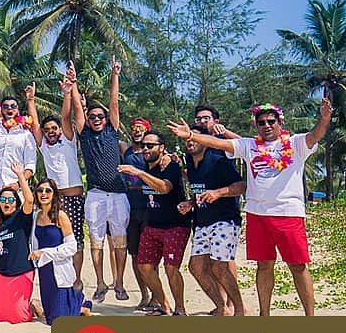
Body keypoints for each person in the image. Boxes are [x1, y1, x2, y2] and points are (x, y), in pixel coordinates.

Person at [168, 96, 333, 316]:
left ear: (279, 123)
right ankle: (264, 315)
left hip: (288, 214)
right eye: (261, 122)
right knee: (264, 265)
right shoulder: (249, 145)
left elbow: (315, 136)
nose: (266, 125)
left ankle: (310, 318)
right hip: (257, 215)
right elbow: (218, 143)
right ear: (256, 125)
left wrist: (324, 119)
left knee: (298, 266)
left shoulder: (295, 144)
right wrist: (190, 135)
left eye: (271, 121)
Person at [70, 58, 131, 304]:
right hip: (95, 194)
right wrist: (73, 84)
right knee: (96, 241)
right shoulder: (84, 133)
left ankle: (119, 282)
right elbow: (76, 107)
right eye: (92, 116)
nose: (96, 119)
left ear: (106, 119)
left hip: (118, 193)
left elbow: (114, 102)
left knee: (119, 240)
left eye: (100, 116)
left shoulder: (112, 130)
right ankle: (100, 283)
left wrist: (115, 74)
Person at [118, 130, 190, 315]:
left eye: (151, 145)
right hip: (153, 224)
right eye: (143, 146)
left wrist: (140, 173)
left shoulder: (170, 166)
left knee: (171, 268)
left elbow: (165, 188)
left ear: (162, 148)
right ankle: (163, 304)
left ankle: (180, 309)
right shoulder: (145, 164)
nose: (146, 149)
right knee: (144, 266)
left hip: (175, 224)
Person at [178, 125, 246, 317]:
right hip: (202, 222)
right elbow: (200, 191)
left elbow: (241, 185)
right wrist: (190, 203)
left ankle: (240, 309)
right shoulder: (190, 164)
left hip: (225, 220)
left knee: (219, 266)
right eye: (187, 139)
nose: (190, 142)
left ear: (205, 141)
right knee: (196, 267)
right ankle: (221, 307)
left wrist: (218, 193)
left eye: (195, 138)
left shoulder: (218, 161)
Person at [28, 79, 85, 292]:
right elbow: (34, 124)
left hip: (74, 198)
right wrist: (31, 100)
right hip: (55, 199)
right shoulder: (44, 146)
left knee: (76, 240)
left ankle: (76, 280)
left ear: (60, 130)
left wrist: (68, 93)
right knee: (55, 239)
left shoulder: (68, 140)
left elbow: (65, 116)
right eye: (47, 129)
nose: (51, 131)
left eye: (54, 128)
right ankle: (58, 278)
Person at [30, 177, 91, 325]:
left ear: (54, 194)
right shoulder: (35, 216)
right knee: (51, 318)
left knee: (59, 321)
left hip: (59, 268)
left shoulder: (61, 216)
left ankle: (82, 305)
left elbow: (72, 247)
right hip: (44, 269)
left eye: (48, 190)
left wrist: (44, 253)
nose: (43, 193)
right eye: (40, 190)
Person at [0, 160, 39, 323]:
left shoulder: (21, 217)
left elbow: (29, 200)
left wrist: (20, 176)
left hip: (21, 271)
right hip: (1, 273)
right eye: (2, 200)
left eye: (10, 200)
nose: (6, 203)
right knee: (0, 316)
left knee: (19, 317)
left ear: (16, 203)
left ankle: (34, 305)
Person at [0, 94, 37, 204]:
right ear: (1, 109)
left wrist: (18, 184)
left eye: (13, 106)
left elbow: (30, 165)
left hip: (17, 189)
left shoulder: (26, 135)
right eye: (5, 106)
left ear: (17, 110)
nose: (9, 109)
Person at [120, 118, 152, 310]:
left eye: (141, 129)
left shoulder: (153, 151)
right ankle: (144, 295)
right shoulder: (126, 150)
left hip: (150, 208)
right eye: (134, 129)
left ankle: (156, 295)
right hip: (131, 208)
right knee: (135, 254)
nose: (136, 131)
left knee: (151, 256)